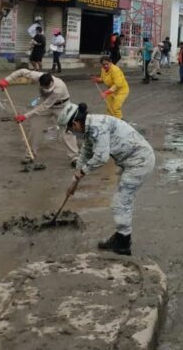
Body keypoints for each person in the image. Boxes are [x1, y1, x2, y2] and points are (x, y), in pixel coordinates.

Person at [60, 102, 155, 256]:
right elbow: (86, 151)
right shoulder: (89, 127)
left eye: (70, 129)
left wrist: (83, 172)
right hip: (129, 162)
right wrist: (74, 180)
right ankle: (122, 236)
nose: (71, 132)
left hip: (140, 162)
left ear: (75, 124)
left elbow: (101, 157)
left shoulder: (98, 127)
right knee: (123, 201)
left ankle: (123, 244)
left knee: (120, 203)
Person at [0, 69, 78, 166]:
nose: (45, 89)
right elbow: (22, 71)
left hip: (62, 106)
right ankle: (30, 154)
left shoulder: (59, 88)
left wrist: (25, 116)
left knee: (67, 130)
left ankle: (74, 157)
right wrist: (7, 80)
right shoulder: (37, 76)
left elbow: (44, 106)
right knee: (34, 128)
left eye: (47, 87)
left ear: (52, 82)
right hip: (45, 105)